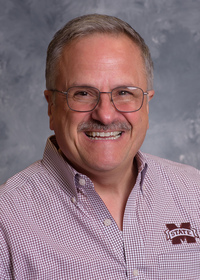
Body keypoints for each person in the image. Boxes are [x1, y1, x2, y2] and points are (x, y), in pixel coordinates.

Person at [0, 14, 200, 280]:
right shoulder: (6, 220)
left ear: (147, 103)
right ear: (51, 107)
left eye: (124, 93)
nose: (105, 115)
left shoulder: (194, 193)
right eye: (83, 93)